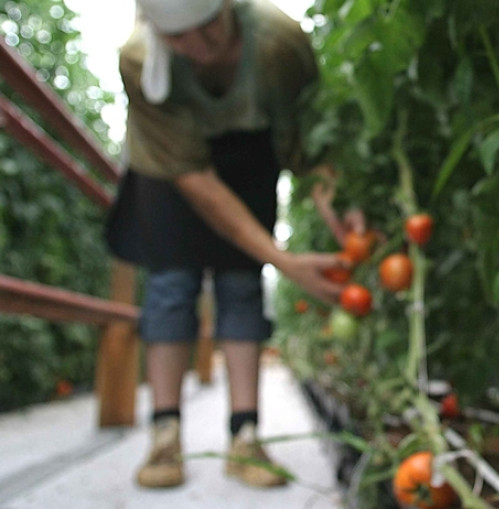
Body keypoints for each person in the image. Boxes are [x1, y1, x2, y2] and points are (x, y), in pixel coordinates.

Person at [104, 0, 357, 489]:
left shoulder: (278, 42)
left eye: (207, 28)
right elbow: (193, 176)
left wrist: (339, 200)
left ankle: (245, 437)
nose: (198, 49)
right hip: (171, 169)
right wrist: (283, 260)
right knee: (171, 284)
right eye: (178, 39)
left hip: (251, 154)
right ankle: (165, 433)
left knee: (242, 283)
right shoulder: (139, 60)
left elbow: (306, 134)